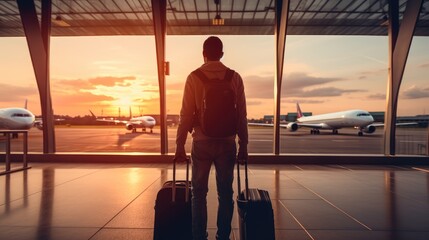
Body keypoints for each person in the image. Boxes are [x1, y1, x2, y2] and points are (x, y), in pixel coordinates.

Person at [175, 36, 248, 240]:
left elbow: (186, 115)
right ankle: (223, 236)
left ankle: (199, 236)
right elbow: (241, 115)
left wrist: (180, 145)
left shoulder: (194, 77)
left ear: (203, 54)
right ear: (222, 54)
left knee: (199, 195)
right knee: (225, 194)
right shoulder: (235, 77)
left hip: (201, 142)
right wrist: (244, 145)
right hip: (227, 143)